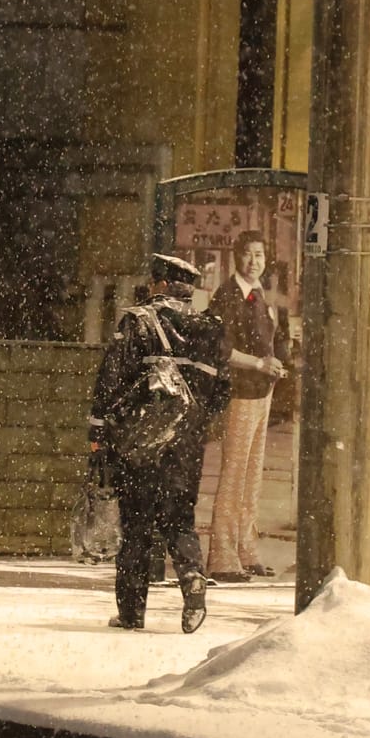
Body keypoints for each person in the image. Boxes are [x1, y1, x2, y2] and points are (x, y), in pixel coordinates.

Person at [87, 252, 227, 633]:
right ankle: (193, 581)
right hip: (186, 442)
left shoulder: (138, 321)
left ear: (162, 284)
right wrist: (193, 424)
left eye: (153, 282)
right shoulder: (209, 326)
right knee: (179, 517)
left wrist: (98, 434)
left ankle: (132, 612)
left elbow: (110, 380)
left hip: (140, 441)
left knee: (136, 524)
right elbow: (221, 389)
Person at [207, 230, 284, 579]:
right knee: (234, 474)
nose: (255, 262)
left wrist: (274, 363)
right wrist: (257, 363)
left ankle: (246, 549)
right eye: (248, 255)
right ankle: (222, 557)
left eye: (260, 255)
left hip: (261, 392)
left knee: (252, 476)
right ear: (236, 257)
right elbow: (220, 350)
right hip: (238, 393)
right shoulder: (227, 296)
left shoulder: (258, 294)